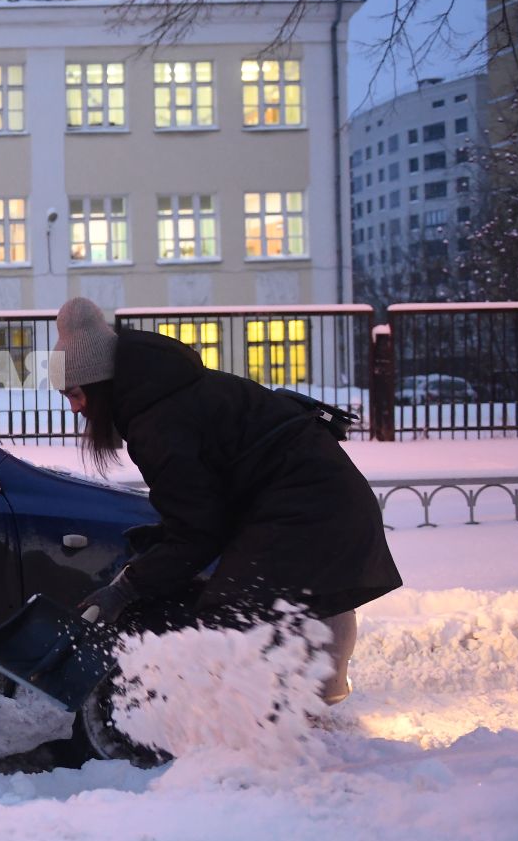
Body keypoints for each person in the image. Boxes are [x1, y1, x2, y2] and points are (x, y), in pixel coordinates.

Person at [51, 297, 401, 704]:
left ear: (100, 384)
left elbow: (199, 531)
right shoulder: (168, 392)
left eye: (76, 395)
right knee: (294, 598)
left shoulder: (158, 425)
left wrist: (126, 588)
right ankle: (311, 709)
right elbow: (208, 499)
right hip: (325, 498)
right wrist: (166, 538)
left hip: (309, 510)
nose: (76, 409)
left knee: (233, 614)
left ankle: (280, 726)